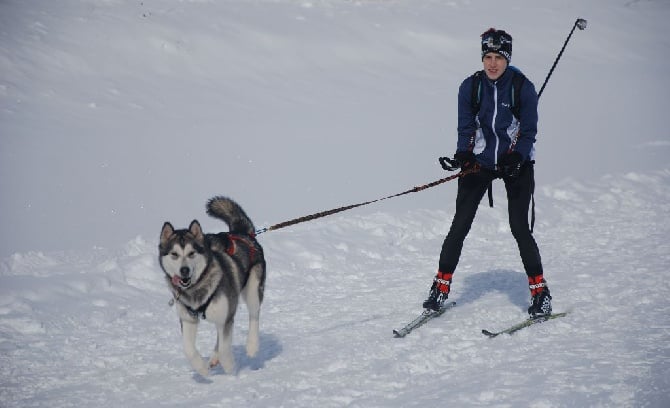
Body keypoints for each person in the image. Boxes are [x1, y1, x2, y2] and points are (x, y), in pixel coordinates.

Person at [422, 28, 552, 317]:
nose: (492, 63)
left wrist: (516, 156)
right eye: (488, 57)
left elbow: (528, 131)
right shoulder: (471, 86)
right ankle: (439, 288)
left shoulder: (522, 87)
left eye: (498, 57)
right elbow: (466, 127)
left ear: (507, 58)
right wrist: (464, 154)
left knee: (519, 227)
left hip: (515, 163)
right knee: (460, 225)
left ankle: (540, 292)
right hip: (481, 162)